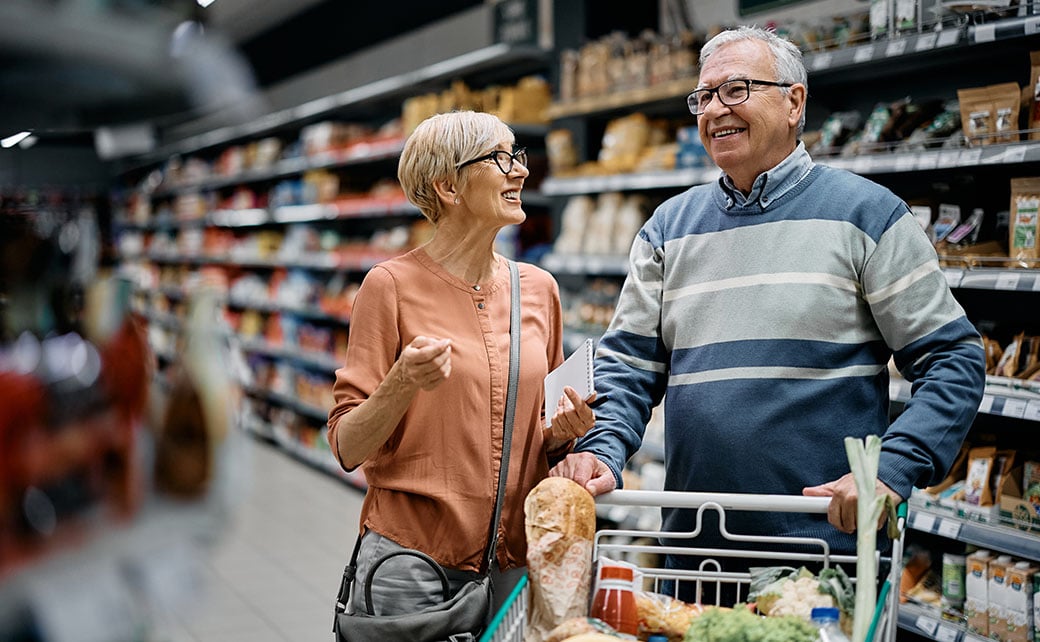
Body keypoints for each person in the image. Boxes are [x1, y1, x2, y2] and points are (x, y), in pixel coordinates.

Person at [550, 25, 986, 597]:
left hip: (822, 558)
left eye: (736, 89)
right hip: (693, 552)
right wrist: (602, 449)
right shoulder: (666, 229)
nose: (715, 110)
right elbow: (628, 367)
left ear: (794, 101)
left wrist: (892, 469)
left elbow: (954, 357)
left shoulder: (867, 216)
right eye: (704, 97)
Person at [326, 110, 595, 619]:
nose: (521, 170)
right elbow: (347, 445)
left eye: (517, 156)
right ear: (448, 186)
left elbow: (547, 429)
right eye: (501, 158)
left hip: (515, 566)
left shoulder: (540, 290)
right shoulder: (390, 287)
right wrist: (401, 382)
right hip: (412, 566)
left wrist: (563, 432)